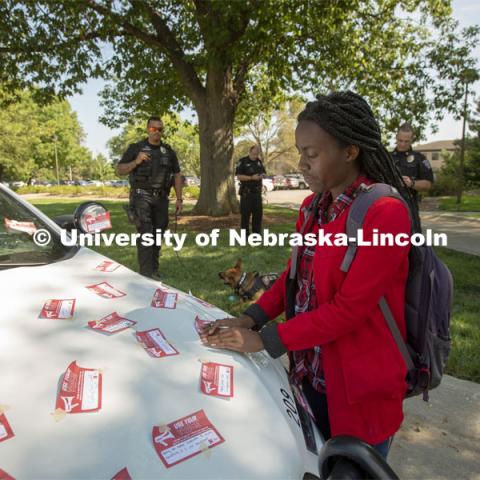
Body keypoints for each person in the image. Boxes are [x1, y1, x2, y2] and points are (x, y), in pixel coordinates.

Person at [201, 92, 417, 460]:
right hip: (308, 376)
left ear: (350, 151)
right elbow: (294, 278)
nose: (301, 164)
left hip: (358, 392)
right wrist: (249, 318)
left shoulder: (386, 213)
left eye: (311, 154)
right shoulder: (313, 206)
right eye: (300, 153)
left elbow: (350, 309)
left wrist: (267, 339)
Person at [116, 116, 183, 280]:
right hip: (141, 197)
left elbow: (177, 175)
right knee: (146, 234)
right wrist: (136, 162)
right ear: (148, 129)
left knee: (157, 235)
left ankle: (154, 270)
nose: (157, 132)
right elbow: (120, 170)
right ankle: (145, 274)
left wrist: (179, 199)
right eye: (153, 129)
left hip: (161, 198)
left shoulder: (168, 151)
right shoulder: (136, 148)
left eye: (160, 129)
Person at [391, 123, 434, 232]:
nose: (402, 144)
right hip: (389, 208)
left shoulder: (419, 159)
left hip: (410, 209)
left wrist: (412, 183)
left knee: (414, 245)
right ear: (396, 138)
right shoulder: (387, 158)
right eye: (400, 140)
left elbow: (428, 184)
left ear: (411, 140)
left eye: (406, 141)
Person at [235, 145, 266, 236]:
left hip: (257, 193)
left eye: (257, 154)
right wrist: (251, 177)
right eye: (253, 154)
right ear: (250, 152)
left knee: (257, 215)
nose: (255, 156)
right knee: (245, 216)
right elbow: (239, 176)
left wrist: (261, 176)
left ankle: (256, 235)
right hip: (246, 193)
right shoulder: (242, 161)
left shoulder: (259, 162)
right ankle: (245, 236)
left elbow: (263, 172)